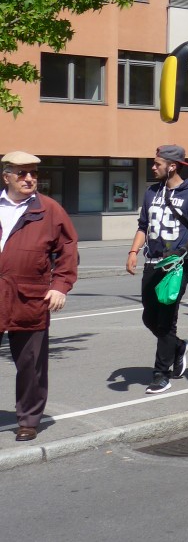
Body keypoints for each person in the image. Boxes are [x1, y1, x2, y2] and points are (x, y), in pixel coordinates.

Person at [0, 151, 78, 442]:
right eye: (22, 173)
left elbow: (68, 249)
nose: (30, 179)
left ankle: (29, 420)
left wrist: (60, 285)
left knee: (31, 364)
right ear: (6, 175)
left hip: (30, 296)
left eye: (33, 173)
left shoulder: (49, 209)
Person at [126, 144, 188, 395]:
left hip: (176, 267)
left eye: (157, 163)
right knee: (149, 317)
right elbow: (143, 226)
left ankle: (161, 375)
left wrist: (184, 251)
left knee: (166, 319)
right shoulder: (151, 192)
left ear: (172, 166)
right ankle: (179, 347)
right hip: (152, 264)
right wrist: (133, 252)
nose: (153, 167)